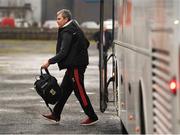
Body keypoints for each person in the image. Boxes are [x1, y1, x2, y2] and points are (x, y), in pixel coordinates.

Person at [41, 9, 98, 126]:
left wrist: (49, 62)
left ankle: (92, 116)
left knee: (79, 91)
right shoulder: (74, 27)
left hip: (76, 67)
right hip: (74, 65)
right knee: (64, 90)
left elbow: (63, 52)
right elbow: (86, 43)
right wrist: (76, 52)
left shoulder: (67, 31)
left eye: (59, 19)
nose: (57, 21)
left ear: (66, 19)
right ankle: (56, 114)